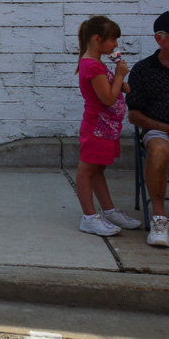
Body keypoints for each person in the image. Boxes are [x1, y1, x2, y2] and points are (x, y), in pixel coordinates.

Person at [72, 16, 141, 236]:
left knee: (98, 168)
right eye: (113, 40)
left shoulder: (97, 63)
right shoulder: (92, 66)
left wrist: (120, 83)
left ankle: (108, 210)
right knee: (86, 170)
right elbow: (107, 99)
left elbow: (108, 90)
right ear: (96, 39)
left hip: (107, 127)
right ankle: (89, 218)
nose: (116, 45)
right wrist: (120, 75)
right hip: (96, 127)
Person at [127, 10, 169, 247]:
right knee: (159, 151)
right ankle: (159, 219)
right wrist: (164, 127)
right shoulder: (143, 70)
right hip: (159, 131)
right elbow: (133, 115)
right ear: (159, 38)